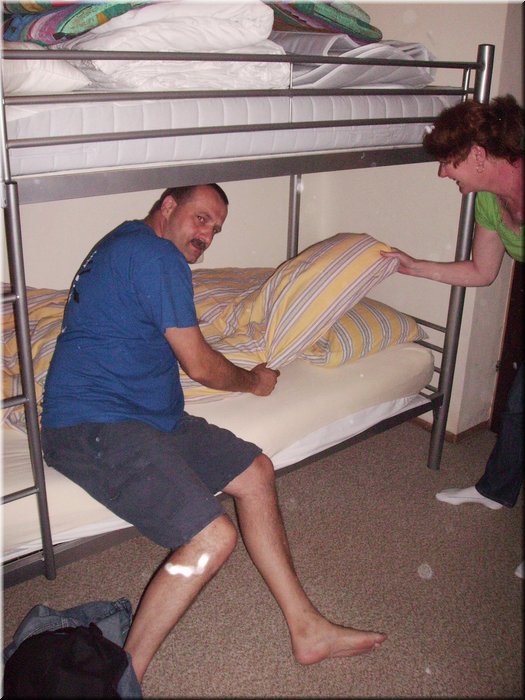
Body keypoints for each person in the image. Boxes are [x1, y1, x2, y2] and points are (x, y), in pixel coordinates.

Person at [41, 183, 386, 685]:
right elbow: (201, 365)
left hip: (152, 417)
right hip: (92, 423)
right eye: (200, 218)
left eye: (216, 229)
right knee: (212, 537)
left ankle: (307, 628)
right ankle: (122, 682)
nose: (206, 236)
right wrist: (255, 382)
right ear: (168, 206)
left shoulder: (128, 240)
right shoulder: (156, 256)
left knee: (256, 471)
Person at [381, 95, 523, 578]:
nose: (443, 173)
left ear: (479, 155)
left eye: (449, 161)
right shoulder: (488, 200)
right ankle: (496, 490)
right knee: (518, 409)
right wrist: (412, 265)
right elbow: (482, 271)